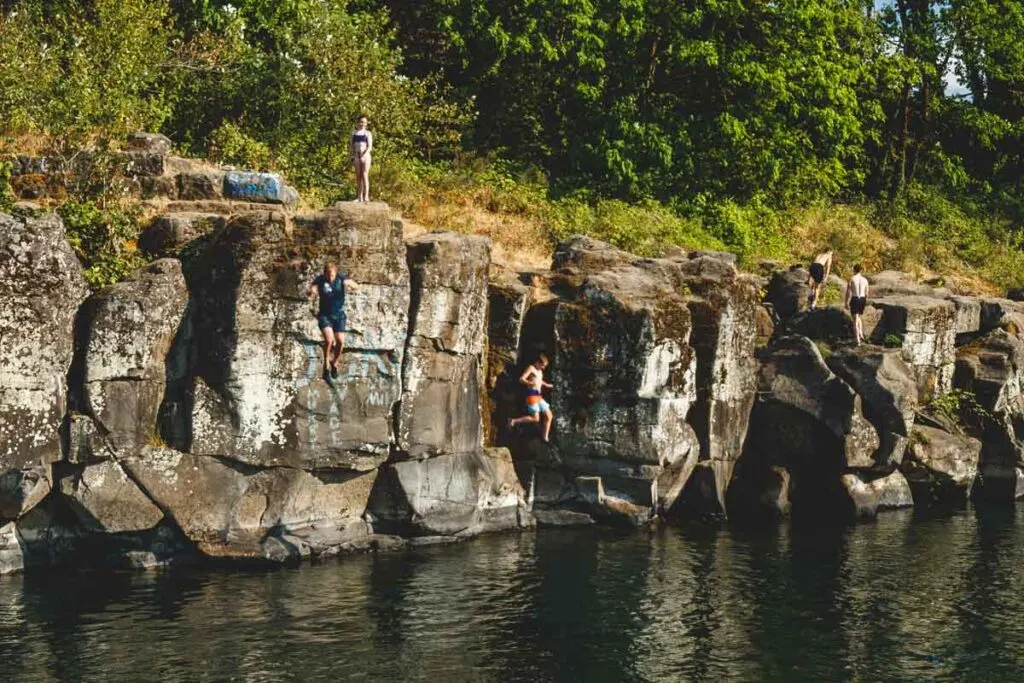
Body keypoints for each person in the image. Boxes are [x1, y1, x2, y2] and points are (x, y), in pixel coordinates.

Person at [308, 263, 359, 381]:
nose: (330, 277)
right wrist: (312, 291)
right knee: (329, 340)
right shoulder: (320, 280)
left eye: (332, 275)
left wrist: (351, 285)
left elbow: (355, 285)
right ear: (324, 273)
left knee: (340, 342)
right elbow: (313, 288)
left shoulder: (341, 278)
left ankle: (334, 363)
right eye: (328, 275)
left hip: (339, 316)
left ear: (335, 273)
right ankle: (326, 364)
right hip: (325, 315)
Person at [509, 353, 555, 442]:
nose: (543, 368)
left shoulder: (540, 371)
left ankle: (545, 437)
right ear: (537, 362)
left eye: (544, 366)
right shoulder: (531, 368)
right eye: (542, 365)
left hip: (538, 395)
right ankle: (513, 421)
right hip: (531, 394)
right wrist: (529, 383)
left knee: (549, 415)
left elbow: (539, 381)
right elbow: (521, 379)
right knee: (536, 418)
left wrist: (547, 385)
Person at [845, 264, 870, 345]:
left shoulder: (852, 279)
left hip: (855, 298)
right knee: (858, 316)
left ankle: (857, 339)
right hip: (862, 299)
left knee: (855, 319)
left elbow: (848, 292)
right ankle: (861, 333)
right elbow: (867, 293)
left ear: (854, 270)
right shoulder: (865, 280)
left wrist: (846, 302)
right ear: (861, 270)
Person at [351, 115, 373, 202]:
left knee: (365, 175)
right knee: (358, 176)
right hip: (357, 155)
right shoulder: (353, 133)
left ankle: (366, 196)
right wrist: (352, 155)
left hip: (365, 156)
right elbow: (351, 146)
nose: (362, 124)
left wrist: (364, 155)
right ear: (357, 123)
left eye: (364, 122)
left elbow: (370, 147)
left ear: (366, 123)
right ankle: (359, 196)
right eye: (360, 122)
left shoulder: (368, 133)